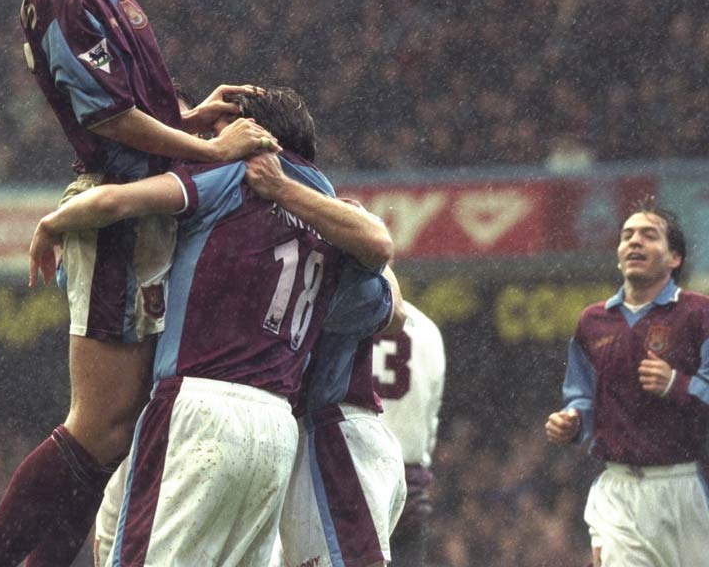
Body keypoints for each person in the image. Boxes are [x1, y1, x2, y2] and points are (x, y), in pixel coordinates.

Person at [0, 0, 274, 567]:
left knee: (120, 427)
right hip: (115, 213)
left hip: (140, 216)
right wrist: (209, 150)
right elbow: (107, 119)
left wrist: (190, 117)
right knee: (96, 427)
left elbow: (139, 109)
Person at [30, 87, 403, 566]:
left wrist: (54, 222)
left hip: (198, 406)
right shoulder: (331, 209)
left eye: (219, 127)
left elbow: (116, 203)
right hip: (276, 428)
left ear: (251, 132)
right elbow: (390, 303)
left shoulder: (230, 177)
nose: (209, 138)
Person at [545, 200, 709, 567]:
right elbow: (581, 397)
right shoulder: (592, 321)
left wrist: (675, 384)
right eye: (627, 236)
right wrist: (571, 420)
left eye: (649, 236)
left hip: (687, 486)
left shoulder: (700, 314)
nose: (634, 242)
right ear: (619, 255)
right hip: (618, 490)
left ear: (674, 258)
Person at [270, 272, 411, 567]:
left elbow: (396, 313)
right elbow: (396, 310)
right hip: (339, 440)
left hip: (332, 443)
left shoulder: (319, 262)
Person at [372, 299, 446, 566]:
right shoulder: (427, 330)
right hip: (408, 484)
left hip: (351, 481)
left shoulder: (341, 312)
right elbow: (431, 421)